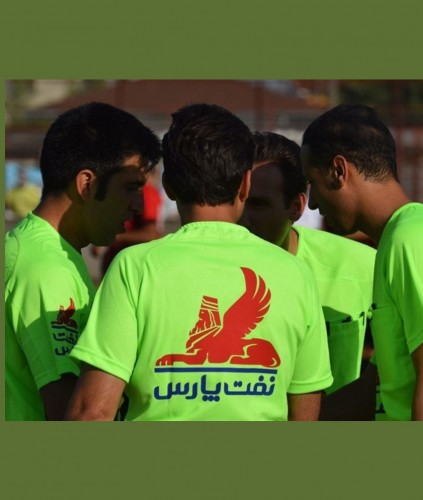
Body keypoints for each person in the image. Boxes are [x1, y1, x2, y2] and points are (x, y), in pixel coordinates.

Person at [65, 104, 333, 422]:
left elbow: (93, 412)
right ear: (245, 184)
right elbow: (304, 416)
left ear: (168, 185)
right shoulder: (296, 273)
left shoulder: (134, 267)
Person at [301, 104, 423, 421]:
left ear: (339, 170)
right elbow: (379, 384)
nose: (312, 203)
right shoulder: (415, 233)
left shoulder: (411, 240)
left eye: (313, 183)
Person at [5, 102, 161, 420]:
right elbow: (74, 415)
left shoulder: (41, 249)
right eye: (130, 188)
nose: (137, 206)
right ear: (87, 184)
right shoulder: (46, 269)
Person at [240, 131, 377, 420]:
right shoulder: (200, 269)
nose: (243, 218)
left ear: (297, 207)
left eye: (258, 204)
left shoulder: (363, 266)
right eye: (238, 201)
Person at [92, 173, 164, 279]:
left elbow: (151, 234)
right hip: (117, 267)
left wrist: (113, 237)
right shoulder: (119, 192)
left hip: (133, 269)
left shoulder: (145, 192)